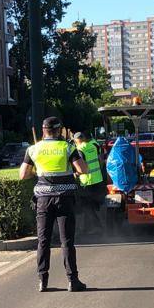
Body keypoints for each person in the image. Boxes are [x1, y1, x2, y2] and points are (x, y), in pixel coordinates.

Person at [20, 116, 89, 292]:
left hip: (43, 200)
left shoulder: (33, 149)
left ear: (43, 131)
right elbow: (82, 169)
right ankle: (73, 281)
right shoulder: (67, 147)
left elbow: (23, 175)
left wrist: (38, 172)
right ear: (59, 131)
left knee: (43, 241)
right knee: (67, 241)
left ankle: (43, 281)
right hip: (64, 198)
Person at [74, 130, 106, 235]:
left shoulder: (79, 150)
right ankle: (90, 227)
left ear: (76, 140)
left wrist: (76, 174)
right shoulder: (93, 146)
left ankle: (96, 227)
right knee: (95, 204)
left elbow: (82, 167)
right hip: (98, 179)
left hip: (87, 181)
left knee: (87, 206)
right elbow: (99, 160)